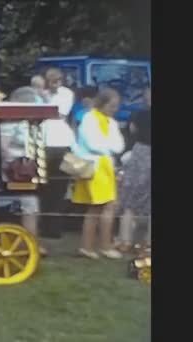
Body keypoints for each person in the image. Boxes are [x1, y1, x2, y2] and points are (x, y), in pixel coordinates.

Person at [71, 88, 125, 259]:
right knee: (98, 206)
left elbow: (119, 145)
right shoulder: (89, 118)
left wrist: (107, 146)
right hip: (94, 166)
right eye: (111, 105)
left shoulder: (111, 122)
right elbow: (93, 143)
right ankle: (95, 247)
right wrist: (108, 146)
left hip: (107, 165)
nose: (114, 109)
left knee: (107, 205)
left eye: (116, 106)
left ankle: (98, 246)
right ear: (102, 103)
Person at [0, 86, 49, 255]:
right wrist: (14, 166)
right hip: (13, 171)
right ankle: (30, 245)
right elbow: (3, 147)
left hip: (26, 170)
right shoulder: (10, 122)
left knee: (32, 205)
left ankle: (28, 242)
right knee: (30, 205)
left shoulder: (27, 123)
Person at [38, 68, 76, 238]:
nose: (55, 82)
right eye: (51, 79)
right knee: (43, 186)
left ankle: (55, 228)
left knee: (60, 187)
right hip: (43, 143)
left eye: (58, 79)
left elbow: (60, 113)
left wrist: (47, 98)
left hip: (61, 143)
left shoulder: (66, 93)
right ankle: (43, 226)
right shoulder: (41, 93)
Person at [116, 106, 151, 253]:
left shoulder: (141, 114)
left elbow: (132, 129)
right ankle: (148, 243)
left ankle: (125, 241)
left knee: (129, 204)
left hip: (139, 154)